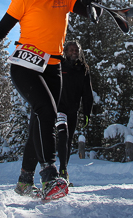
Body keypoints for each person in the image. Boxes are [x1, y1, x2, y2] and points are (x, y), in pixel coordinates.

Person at [0, 0, 101, 200]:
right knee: (47, 111)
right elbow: (1, 29)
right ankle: (50, 175)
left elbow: (91, 15)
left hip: (54, 67)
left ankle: (24, 181)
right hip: (26, 63)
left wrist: (87, 1)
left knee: (40, 120)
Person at [56, 41, 94, 184]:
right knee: (62, 134)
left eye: (76, 50)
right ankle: (61, 171)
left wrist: (86, 113)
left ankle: (62, 173)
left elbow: (87, 93)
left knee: (68, 140)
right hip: (59, 108)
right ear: (65, 51)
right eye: (71, 50)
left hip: (73, 110)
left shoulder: (83, 69)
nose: (74, 52)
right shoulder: (59, 65)